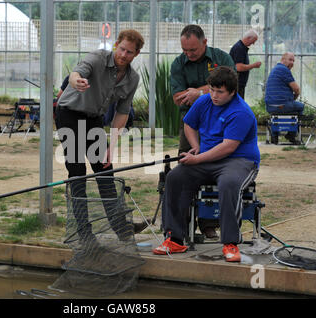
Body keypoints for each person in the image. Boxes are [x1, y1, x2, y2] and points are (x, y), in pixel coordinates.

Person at [153, 66, 260, 262]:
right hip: (207, 157)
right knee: (175, 177)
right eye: (212, 90)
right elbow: (189, 124)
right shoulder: (204, 101)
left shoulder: (241, 112)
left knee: (229, 183)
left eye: (220, 92)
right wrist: (196, 146)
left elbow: (228, 147)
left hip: (239, 161)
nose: (214, 96)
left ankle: (230, 243)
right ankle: (175, 239)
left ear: (232, 92)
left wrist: (197, 158)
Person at [56, 29, 145, 243]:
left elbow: (122, 113)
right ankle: (84, 232)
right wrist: (76, 81)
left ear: (136, 54)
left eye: (129, 52)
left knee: (105, 169)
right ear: (116, 45)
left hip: (93, 119)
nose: (124, 55)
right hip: (69, 114)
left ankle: (122, 228)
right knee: (77, 171)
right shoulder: (97, 58)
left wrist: (111, 146)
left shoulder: (132, 78)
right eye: (122, 49)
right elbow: (77, 73)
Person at [170, 24, 235, 239]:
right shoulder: (178, 64)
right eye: (185, 50)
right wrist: (202, 93)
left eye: (193, 50)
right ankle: (183, 225)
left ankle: (209, 223)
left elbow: (230, 87)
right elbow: (177, 97)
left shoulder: (221, 58)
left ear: (204, 43)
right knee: (186, 167)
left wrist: (199, 92)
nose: (188, 54)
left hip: (220, 123)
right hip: (190, 122)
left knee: (216, 167)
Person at [265, 52, 304, 143]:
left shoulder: (275, 69)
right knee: (301, 106)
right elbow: (297, 89)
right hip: (282, 105)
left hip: (270, 106)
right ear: (283, 60)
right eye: (290, 60)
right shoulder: (284, 70)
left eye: (293, 61)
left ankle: (275, 136)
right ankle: (291, 135)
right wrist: (294, 98)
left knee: (280, 112)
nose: (292, 63)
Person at [229, 29, 262, 99]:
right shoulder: (239, 48)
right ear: (248, 38)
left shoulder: (242, 48)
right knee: (237, 103)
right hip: (237, 83)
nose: (253, 43)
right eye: (253, 41)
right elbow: (238, 67)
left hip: (239, 83)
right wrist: (254, 65)